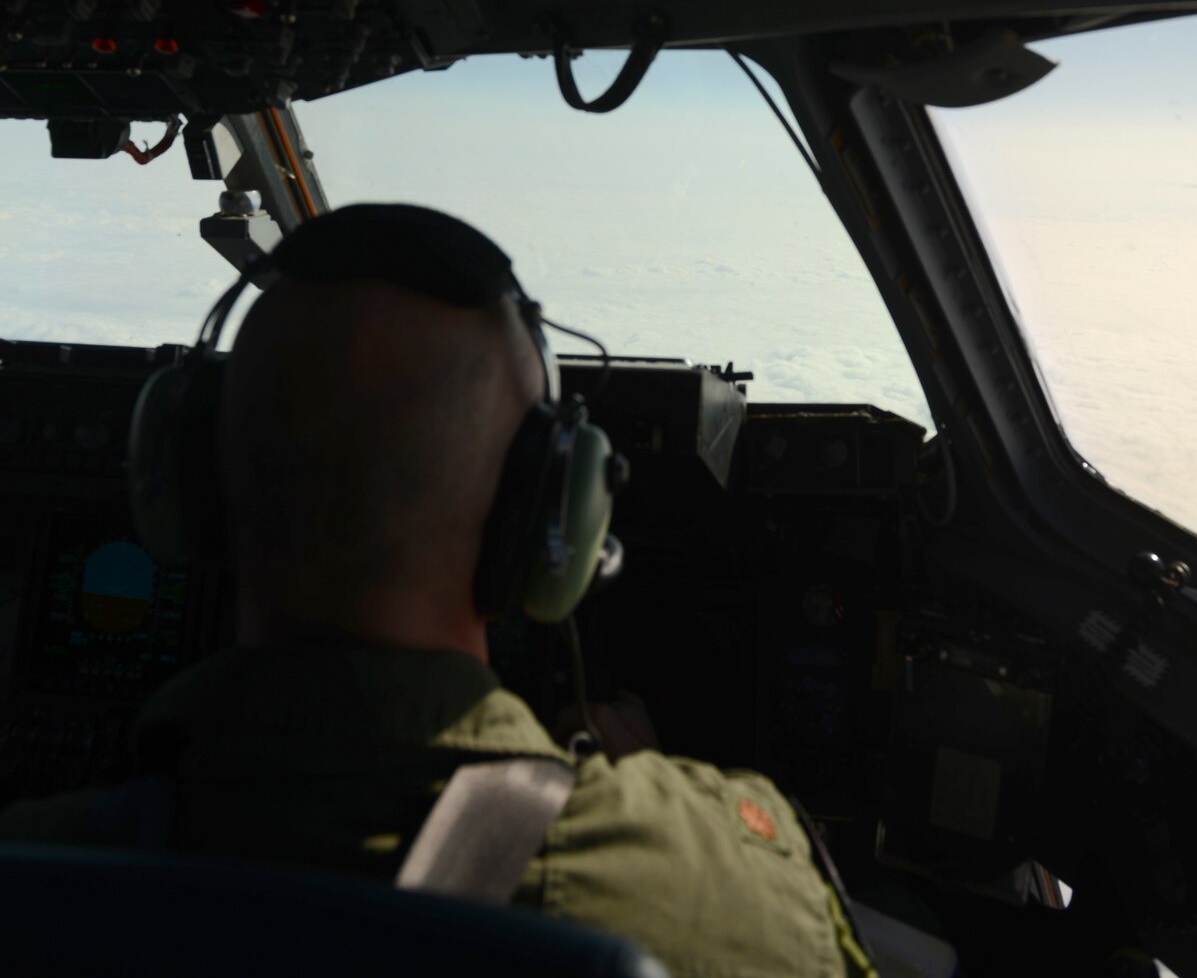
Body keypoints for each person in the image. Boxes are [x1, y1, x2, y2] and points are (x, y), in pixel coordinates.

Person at [0, 205, 874, 978]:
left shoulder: (34, 870)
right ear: (545, 524)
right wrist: (640, 804)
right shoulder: (726, 892)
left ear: (186, 488)